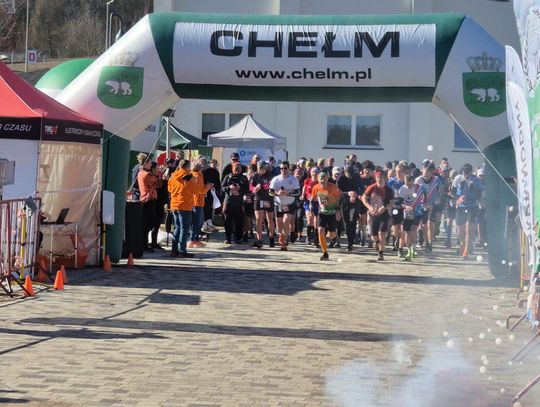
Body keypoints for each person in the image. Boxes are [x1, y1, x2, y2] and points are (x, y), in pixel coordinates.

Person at [168, 159, 199, 258]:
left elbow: (169, 189)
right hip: (184, 205)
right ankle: (182, 251)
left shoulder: (173, 176)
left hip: (174, 205)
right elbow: (196, 190)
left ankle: (174, 250)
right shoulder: (188, 177)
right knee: (184, 229)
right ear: (187, 167)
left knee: (177, 228)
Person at [362, 170, 394, 261]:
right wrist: (369, 207)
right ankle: (378, 242)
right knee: (374, 236)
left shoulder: (388, 190)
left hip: (384, 214)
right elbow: (364, 198)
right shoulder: (371, 188)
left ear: (385, 179)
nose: (379, 180)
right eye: (377, 178)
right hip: (373, 215)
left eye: (381, 178)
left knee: (381, 233)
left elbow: (392, 203)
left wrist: (385, 207)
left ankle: (381, 253)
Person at [453, 163, 483, 259]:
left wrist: (471, 195)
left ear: (471, 172)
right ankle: (463, 243)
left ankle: (466, 250)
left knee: (469, 228)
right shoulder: (458, 178)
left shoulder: (476, 180)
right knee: (460, 231)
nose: (466, 174)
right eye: (464, 172)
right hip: (460, 206)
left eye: (468, 173)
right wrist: (458, 199)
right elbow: (453, 192)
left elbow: (479, 195)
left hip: (472, 206)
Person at [269, 161, 301, 251]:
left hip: (289, 204)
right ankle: (281, 236)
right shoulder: (276, 179)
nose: (283, 170)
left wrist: (288, 193)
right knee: (279, 224)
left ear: (289, 169)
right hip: (278, 204)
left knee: (286, 221)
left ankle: (285, 241)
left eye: (285, 168)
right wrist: (277, 194)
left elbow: (298, 192)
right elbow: (270, 192)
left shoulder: (293, 179)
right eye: (281, 168)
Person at [312, 172, 342, 260]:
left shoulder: (333, 187)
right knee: (320, 231)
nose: (322, 181)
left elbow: (340, 198)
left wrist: (338, 210)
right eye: (320, 179)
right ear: (318, 179)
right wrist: (312, 211)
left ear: (327, 179)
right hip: (322, 213)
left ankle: (334, 236)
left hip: (332, 213)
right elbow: (313, 199)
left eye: (324, 179)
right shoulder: (316, 187)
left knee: (331, 235)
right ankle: (325, 253)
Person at [415, 162, 443, 254]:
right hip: (421, 205)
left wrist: (439, 197)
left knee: (430, 224)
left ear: (431, 173)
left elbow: (441, 188)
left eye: (428, 176)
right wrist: (421, 203)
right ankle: (422, 239)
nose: (426, 177)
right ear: (422, 172)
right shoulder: (418, 180)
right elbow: (414, 194)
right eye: (424, 176)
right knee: (423, 225)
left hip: (432, 205)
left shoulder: (436, 179)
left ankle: (429, 244)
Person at [399, 174, 426, 261]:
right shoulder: (402, 188)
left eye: (409, 183)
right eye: (405, 183)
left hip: (417, 212)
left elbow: (425, 197)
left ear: (412, 181)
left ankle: (413, 248)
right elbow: (400, 202)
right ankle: (409, 250)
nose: (407, 185)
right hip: (407, 212)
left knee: (413, 229)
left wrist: (424, 204)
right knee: (407, 232)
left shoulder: (420, 188)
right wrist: (405, 206)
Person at [221, 162, 249, 244]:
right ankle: (228, 238)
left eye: (238, 169)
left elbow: (247, 190)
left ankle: (238, 238)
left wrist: (240, 189)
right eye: (235, 169)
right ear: (232, 169)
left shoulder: (244, 178)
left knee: (239, 221)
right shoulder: (227, 177)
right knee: (227, 221)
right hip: (228, 202)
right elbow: (222, 188)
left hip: (239, 203)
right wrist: (229, 187)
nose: (237, 170)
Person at [250, 161, 276, 248]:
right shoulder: (255, 175)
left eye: (262, 169)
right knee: (258, 219)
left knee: (270, 219)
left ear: (265, 168)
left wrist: (265, 186)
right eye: (259, 169)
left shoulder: (270, 175)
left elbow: (272, 187)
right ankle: (259, 239)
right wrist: (255, 188)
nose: (260, 170)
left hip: (268, 199)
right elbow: (251, 187)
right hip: (258, 198)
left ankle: (271, 237)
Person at [338, 165, 362, 251]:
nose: (351, 176)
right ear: (345, 172)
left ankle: (351, 243)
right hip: (344, 202)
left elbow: (362, 189)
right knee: (346, 222)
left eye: (352, 174)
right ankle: (348, 240)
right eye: (349, 174)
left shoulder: (357, 177)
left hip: (355, 202)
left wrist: (356, 194)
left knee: (353, 221)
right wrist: (347, 193)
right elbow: (338, 191)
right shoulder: (341, 178)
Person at [188, 161, 213, 248]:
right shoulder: (197, 176)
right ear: (199, 168)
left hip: (198, 202)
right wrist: (208, 186)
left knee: (199, 222)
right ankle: (192, 240)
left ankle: (196, 239)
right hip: (196, 202)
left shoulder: (198, 175)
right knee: (196, 222)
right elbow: (200, 191)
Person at [138, 160, 159, 251]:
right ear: (145, 163)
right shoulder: (147, 174)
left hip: (145, 199)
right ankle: (144, 244)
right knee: (148, 224)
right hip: (148, 199)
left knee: (146, 224)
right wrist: (158, 175)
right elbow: (157, 182)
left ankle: (144, 244)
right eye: (150, 163)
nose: (151, 165)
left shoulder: (141, 173)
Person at [387, 163, 406, 257]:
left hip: (405, 207)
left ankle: (400, 248)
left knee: (403, 228)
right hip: (394, 207)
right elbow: (386, 192)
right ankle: (395, 238)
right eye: (397, 171)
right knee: (395, 228)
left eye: (400, 171)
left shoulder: (407, 181)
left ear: (404, 172)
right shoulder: (391, 181)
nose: (398, 173)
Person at [202, 158, 221, 233]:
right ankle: (205, 224)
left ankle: (210, 223)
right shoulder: (205, 171)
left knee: (210, 207)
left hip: (212, 192)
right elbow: (203, 181)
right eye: (212, 163)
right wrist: (209, 185)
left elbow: (218, 183)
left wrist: (214, 186)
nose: (214, 165)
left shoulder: (216, 172)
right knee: (205, 208)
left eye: (215, 164)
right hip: (205, 192)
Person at [303, 167, 320, 245]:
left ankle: (316, 239)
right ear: (310, 173)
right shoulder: (307, 181)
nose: (315, 173)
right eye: (313, 172)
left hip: (317, 203)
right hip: (308, 202)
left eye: (316, 172)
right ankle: (308, 237)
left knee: (316, 222)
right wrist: (302, 194)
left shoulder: (320, 182)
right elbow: (304, 187)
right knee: (310, 220)